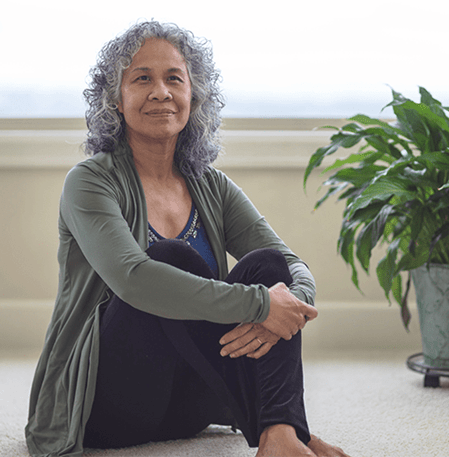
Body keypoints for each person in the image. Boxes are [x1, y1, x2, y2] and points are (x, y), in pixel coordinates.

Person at [25, 20, 349, 457]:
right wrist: (261, 305)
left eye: (174, 78)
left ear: (192, 96)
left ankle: (281, 433)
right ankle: (285, 431)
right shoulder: (90, 182)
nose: (161, 92)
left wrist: (292, 300)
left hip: (196, 403)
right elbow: (134, 278)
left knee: (268, 267)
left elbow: (288, 263)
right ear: (116, 101)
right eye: (142, 79)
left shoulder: (211, 185)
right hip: (111, 407)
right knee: (171, 258)